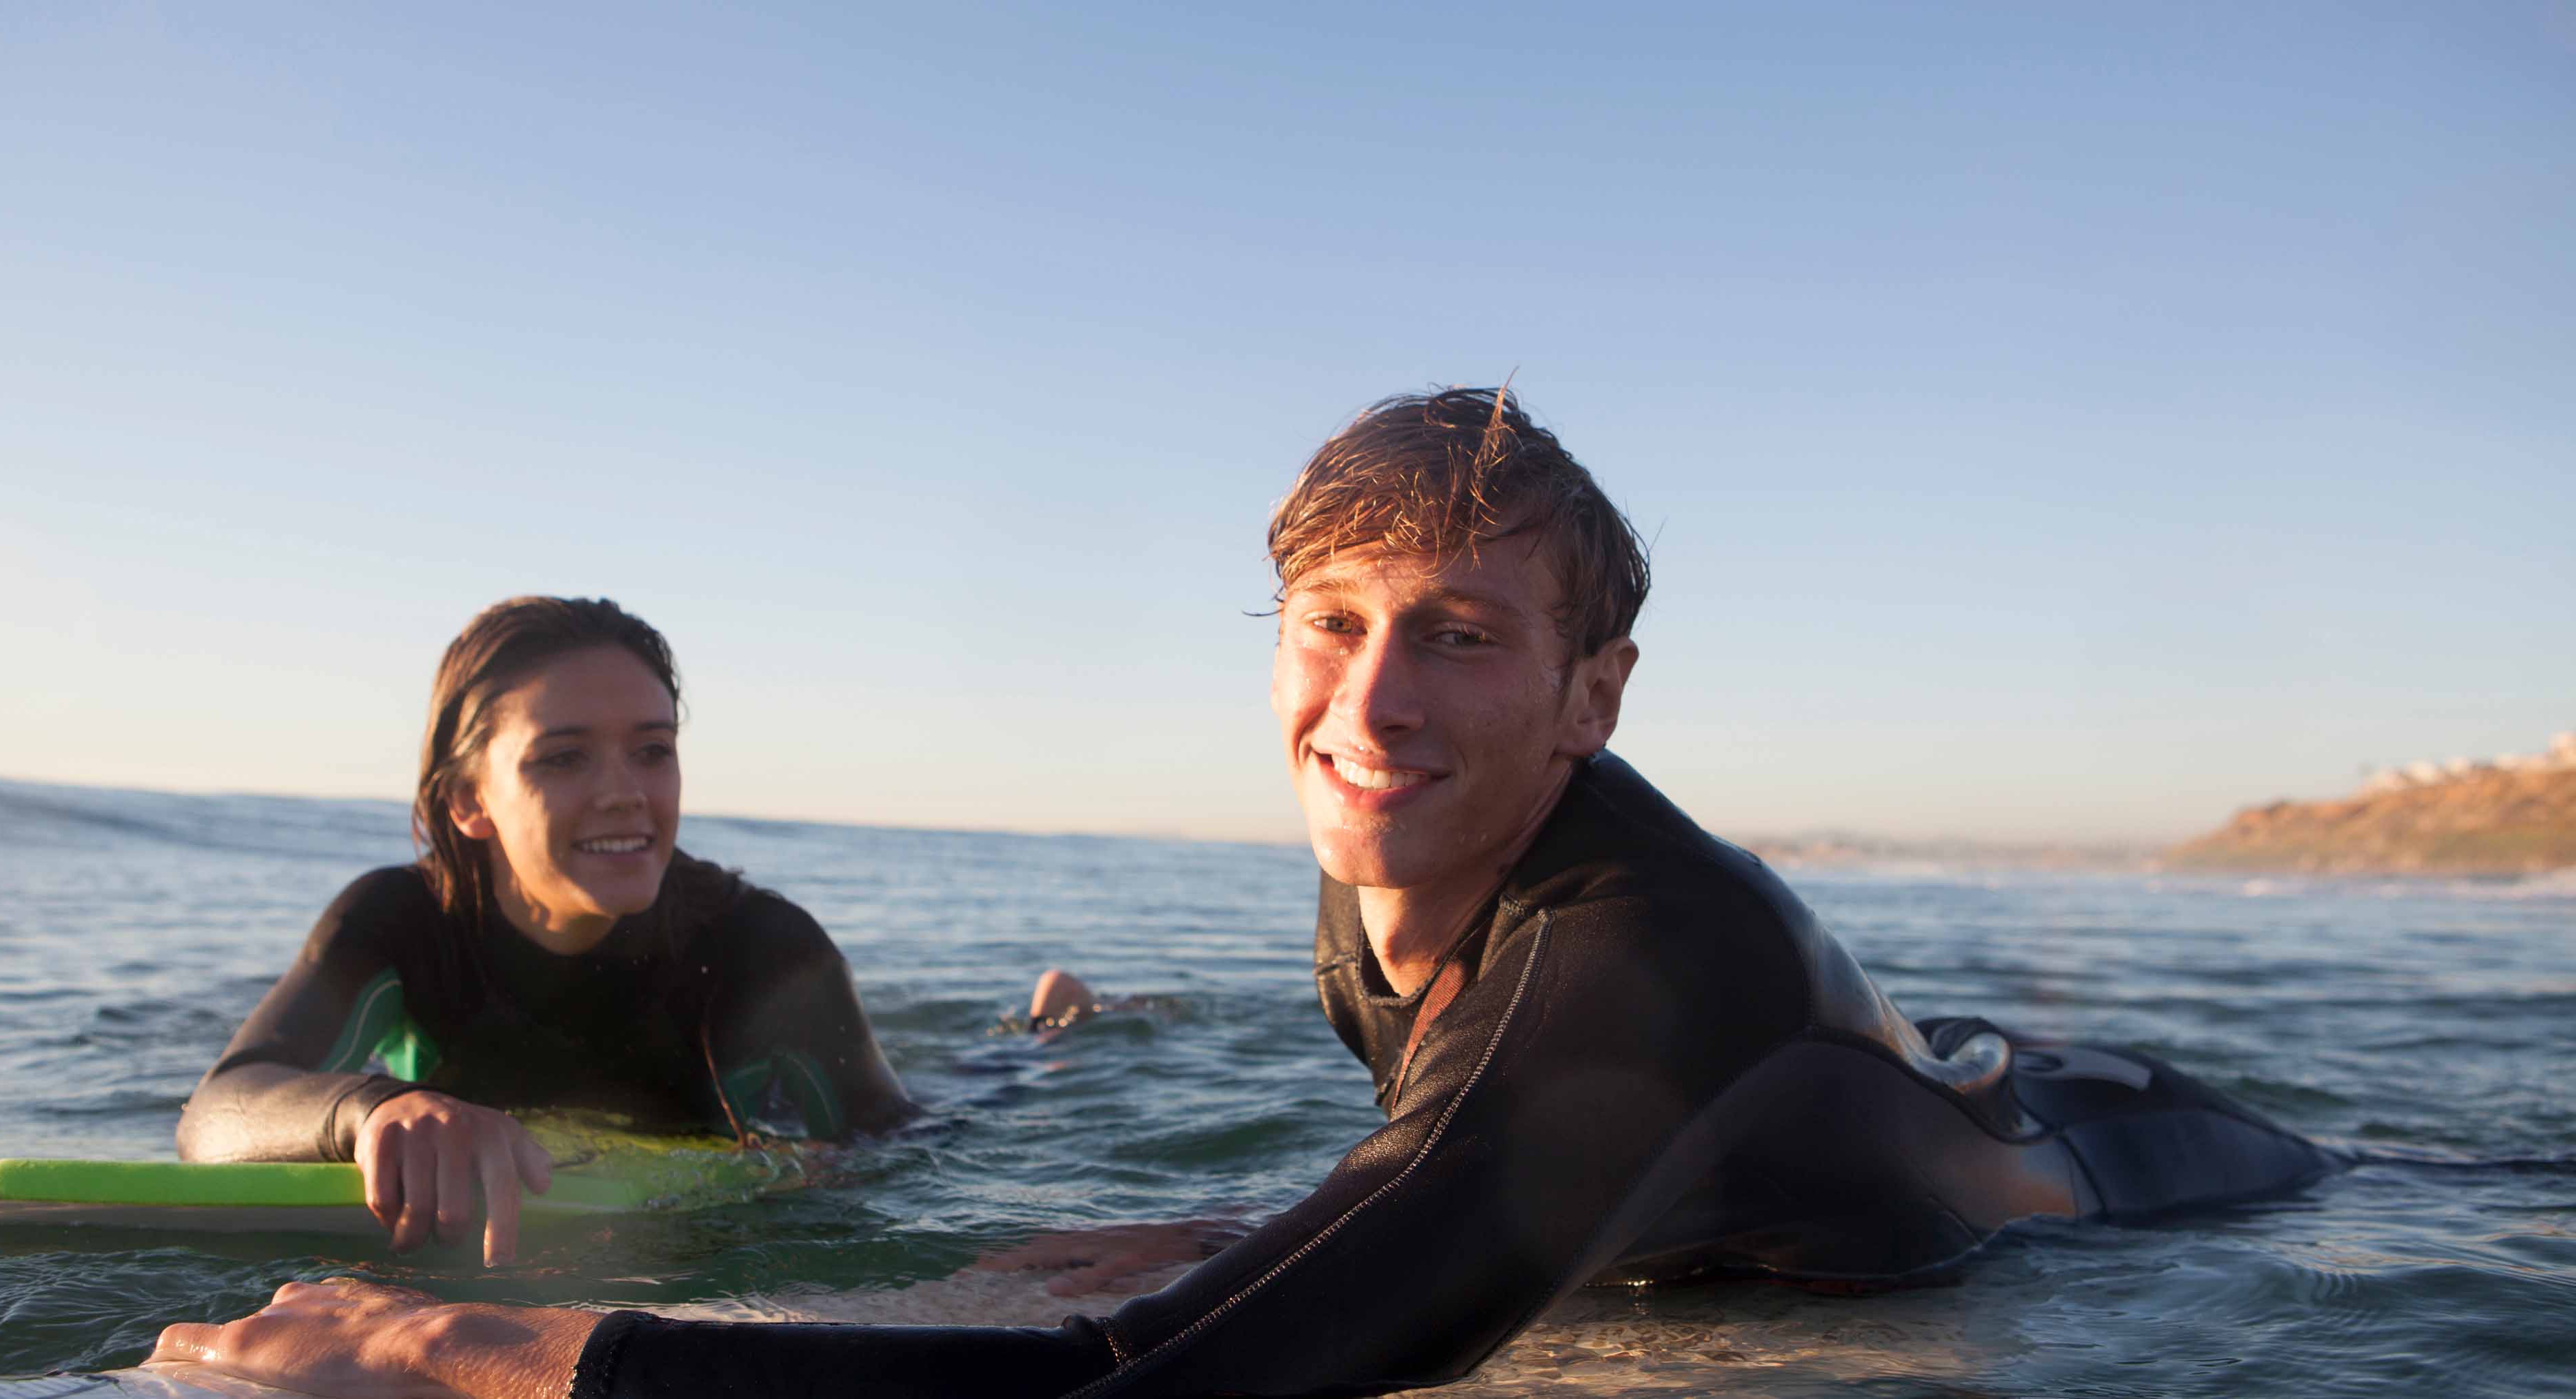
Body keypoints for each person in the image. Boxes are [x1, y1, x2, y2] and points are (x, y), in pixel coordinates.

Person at [156, 392, 2338, 1396]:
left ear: (1595, 693)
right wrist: (1255, 1227)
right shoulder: (1384, 872)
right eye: (1328, 621)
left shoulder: (1645, 947)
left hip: (2146, 1177)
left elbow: (1170, 1397)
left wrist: (498, 1349)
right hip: (1845, 1135)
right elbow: (1469, 1171)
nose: (1366, 706)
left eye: (1461, 635)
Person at [174, 596, 916, 1267]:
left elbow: (897, 1150)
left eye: (652, 750)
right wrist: (376, 1111)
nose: (625, 793)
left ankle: (1038, 1037)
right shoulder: (399, 923)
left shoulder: (767, 948)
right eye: (564, 758)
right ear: (469, 799)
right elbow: (215, 1115)